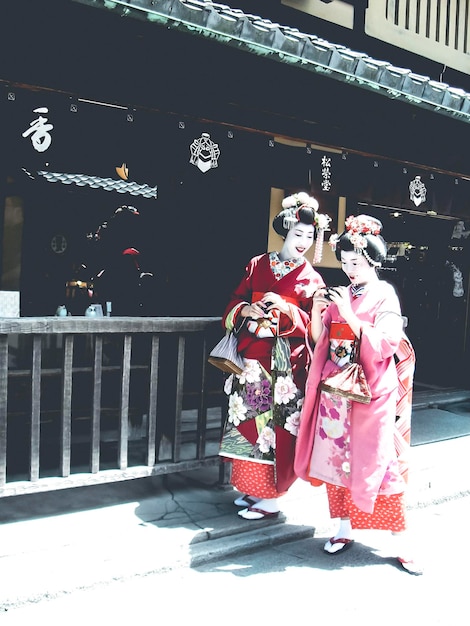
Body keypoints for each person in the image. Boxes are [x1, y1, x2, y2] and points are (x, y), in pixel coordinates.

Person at [294, 214, 423, 575]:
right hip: (336, 391)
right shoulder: (343, 295)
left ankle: (402, 541)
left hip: (369, 394)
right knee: (336, 463)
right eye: (346, 262)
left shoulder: (385, 295)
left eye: (357, 262)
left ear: (374, 262)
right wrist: (319, 313)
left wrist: (349, 315)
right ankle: (342, 527)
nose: (350, 269)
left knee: (380, 468)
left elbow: (385, 343)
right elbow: (321, 341)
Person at [218, 192, 330, 520]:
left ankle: (271, 500)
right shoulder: (257, 265)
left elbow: (315, 329)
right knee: (247, 427)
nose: (302, 243)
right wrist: (245, 309)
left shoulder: (313, 279)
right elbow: (233, 300)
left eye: (309, 238)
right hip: (251, 361)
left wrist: (288, 312)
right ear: (285, 231)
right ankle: (251, 491)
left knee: (273, 432)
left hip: (284, 366)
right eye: (297, 235)